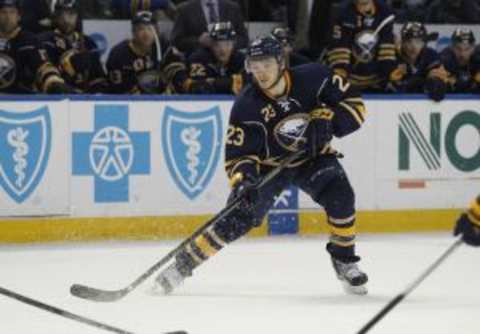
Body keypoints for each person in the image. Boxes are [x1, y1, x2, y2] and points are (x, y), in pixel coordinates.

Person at [155, 36, 369, 296]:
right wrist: (243, 181)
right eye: (254, 65)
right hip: (269, 167)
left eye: (266, 63)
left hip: (312, 158)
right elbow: (238, 155)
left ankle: (344, 260)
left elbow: (356, 105)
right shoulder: (246, 105)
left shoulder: (316, 77)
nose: (261, 72)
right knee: (236, 219)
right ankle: (182, 266)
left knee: (341, 196)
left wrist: (331, 121)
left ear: (281, 62)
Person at [106, 10, 188, 94]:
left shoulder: (164, 47)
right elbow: (116, 88)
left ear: (156, 31)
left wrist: (183, 82)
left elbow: (177, 70)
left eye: (150, 28)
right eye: (141, 29)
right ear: (133, 32)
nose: (146, 33)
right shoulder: (118, 54)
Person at [0, 0, 73, 94]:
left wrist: (53, 82)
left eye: (12, 12)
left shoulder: (29, 40)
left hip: (19, 100)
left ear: (18, 16)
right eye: (3, 12)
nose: (8, 17)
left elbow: (43, 66)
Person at [38, 0, 108, 93]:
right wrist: (68, 67)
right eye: (62, 14)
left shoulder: (88, 43)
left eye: (71, 14)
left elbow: (99, 79)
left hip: (84, 101)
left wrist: (95, 93)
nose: (66, 19)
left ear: (77, 16)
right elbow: (46, 78)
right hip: (57, 99)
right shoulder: (45, 41)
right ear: (56, 16)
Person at [326, 0, 397, 92]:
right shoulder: (341, 12)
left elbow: (386, 52)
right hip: (348, 83)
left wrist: (390, 73)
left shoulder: (385, 12)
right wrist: (341, 77)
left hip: (377, 83)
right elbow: (340, 50)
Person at [386, 22, 448, 101]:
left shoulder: (431, 56)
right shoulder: (391, 55)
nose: (413, 47)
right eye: (409, 41)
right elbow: (387, 89)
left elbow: (438, 93)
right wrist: (391, 80)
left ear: (424, 43)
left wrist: (435, 81)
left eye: (418, 42)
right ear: (402, 42)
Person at [170, 0, 248, 56]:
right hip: (197, 62)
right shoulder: (185, 9)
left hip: (230, 63)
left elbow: (244, 39)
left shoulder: (233, 8)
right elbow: (176, 41)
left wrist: (228, 44)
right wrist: (198, 41)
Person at [186, 21, 245, 95]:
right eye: (217, 45)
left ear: (234, 44)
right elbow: (198, 87)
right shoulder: (198, 59)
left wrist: (214, 83)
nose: (223, 49)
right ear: (210, 45)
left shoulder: (242, 59)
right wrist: (231, 82)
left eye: (227, 44)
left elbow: (250, 85)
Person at [441, 29, 480, 94]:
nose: (462, 54)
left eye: (467, 49)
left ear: (473, 48)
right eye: (458, 48)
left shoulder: (478, 59)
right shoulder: (445, 60)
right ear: (452, 47)